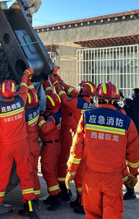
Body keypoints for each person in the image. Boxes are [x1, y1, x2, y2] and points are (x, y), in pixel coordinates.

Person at [66, 81, 139, 219]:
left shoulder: (87, 117)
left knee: (92, 214)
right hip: (113, 178)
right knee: (112, 214)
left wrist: (71, 171)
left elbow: (76, 148)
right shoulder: (126, 122)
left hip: (91, 177)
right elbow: (133, 153)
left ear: (98, 98)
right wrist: (133, 174)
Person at [0, 69, 39, 219]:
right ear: (14, 92)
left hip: (5, 146)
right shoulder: (21, 101)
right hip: (21, 144)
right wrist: (25, 74)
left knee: (1, 177)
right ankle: (31, 210)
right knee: (26, 174)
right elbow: (24, 87)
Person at [52, 76, 95, 213]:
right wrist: (60, 80)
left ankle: (83, 203)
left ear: (83, 90)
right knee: (81, 170)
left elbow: (65, 99)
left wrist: (56, 85)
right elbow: (72, 92)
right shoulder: (89, 102)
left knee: (77, 171)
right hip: (87, 140)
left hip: (77, 139)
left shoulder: (77, 102)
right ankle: (79, 199)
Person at [121, 88, 139, 201]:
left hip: (127, 128)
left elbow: (123, 114)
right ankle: (135, 162)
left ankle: (126, 159)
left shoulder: (127, 101)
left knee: (125, 147)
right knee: (135, 147)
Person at [38, 84, 63, 211]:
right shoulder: (56, 111)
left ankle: (56, 197)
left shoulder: (52, 117)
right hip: (53, 145)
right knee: (50, 171)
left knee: (48, 171)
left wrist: (41, 117)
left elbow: (44, 128)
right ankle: (53, 196)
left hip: (50, 146)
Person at [22, 87, 42, 210]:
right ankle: (36, 197)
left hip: (27, 146)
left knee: (27, 175)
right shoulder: (37, 108)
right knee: (34, 171)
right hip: (35, 145)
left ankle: (27, 202)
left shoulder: (25, 114)